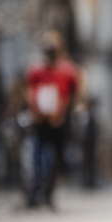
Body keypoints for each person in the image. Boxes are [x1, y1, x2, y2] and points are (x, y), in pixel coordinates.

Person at [24, 30, 80, 208]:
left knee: (54, 159)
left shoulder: (67, 70)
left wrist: (64, 113)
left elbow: (74, 94)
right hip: (40, 120)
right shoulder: (36, 69)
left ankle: (48, 194)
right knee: (37, 158)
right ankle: (34, 193)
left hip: (59, 121)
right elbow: (30, 92)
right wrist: (35, 111)